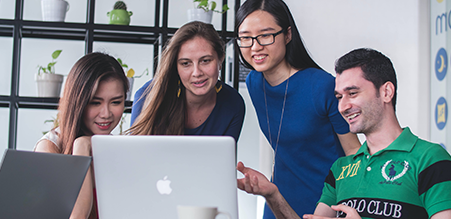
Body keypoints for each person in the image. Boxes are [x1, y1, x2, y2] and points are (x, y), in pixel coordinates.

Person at [237, 48, 451, 219]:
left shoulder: (430, 159)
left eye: (353, 93)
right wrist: (273, 194)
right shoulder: (341, 169)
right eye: (339, 96)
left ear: (386, 92)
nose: (343, 106)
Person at [234, 0, 361, 217]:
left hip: (326, 203)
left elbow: (354, 153)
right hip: (277, 200)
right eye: (245, 38)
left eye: (265, 35)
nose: (255, 47)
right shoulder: (255, 83)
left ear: (287, 34)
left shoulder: (321, 86)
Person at [35, 53, 129, 219]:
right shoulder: (49, 147)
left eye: (115, 102)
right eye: (95, 102)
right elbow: (76, 216)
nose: (106, 114)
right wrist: (81, 147)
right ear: (77, 102)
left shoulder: (116, 148)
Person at [128, 21, 245, 142]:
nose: (197, 72)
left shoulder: (233, 104)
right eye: (186, 63)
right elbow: (136, 155)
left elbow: (224, 159)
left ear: (220, 59)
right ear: (176, 67)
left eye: (205, 61)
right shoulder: (147, 95)